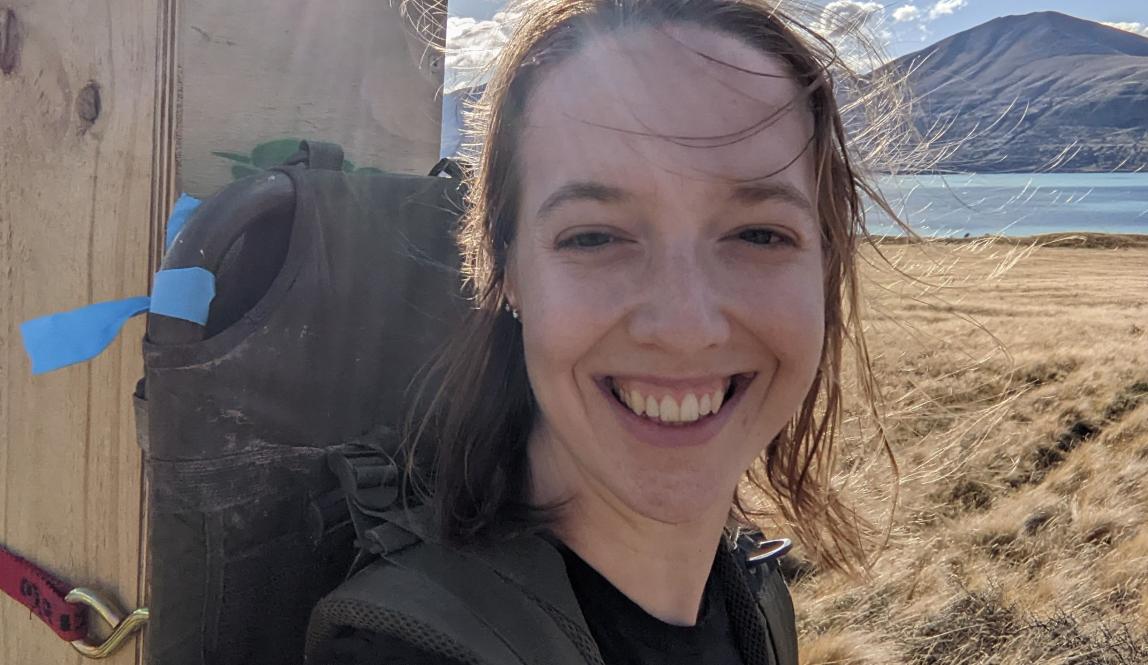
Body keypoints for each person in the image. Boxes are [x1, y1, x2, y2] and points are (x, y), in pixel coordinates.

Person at [310, 0, 897, 662]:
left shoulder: (754, 596)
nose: (685, 327)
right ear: (505, 271)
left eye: (759, 234)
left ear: (825, 266)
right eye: (594, 236)